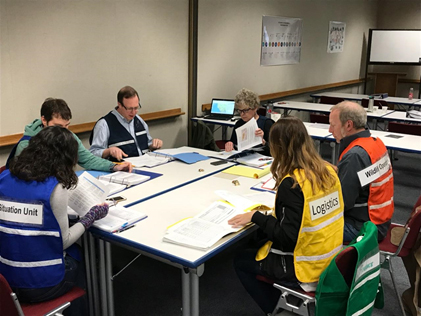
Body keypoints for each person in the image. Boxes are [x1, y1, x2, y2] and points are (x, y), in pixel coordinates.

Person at [228, 117, 344, 315]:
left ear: (278, 147)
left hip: (305, 267)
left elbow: (287, 239)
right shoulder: (328, 171)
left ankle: (276, 310)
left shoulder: (292, 184)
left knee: (241, 259)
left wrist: (256, 216)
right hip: (331, 258)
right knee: (258, 242)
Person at [0, 126, 109, 311]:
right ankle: (82, 310)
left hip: (5, 280)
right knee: (78, 255)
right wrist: (90, 217)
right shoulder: (54, 188)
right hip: (40, 285)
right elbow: (63, 241)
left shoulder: (3, 177)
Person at [6, 98, 132, 172]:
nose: (64, 132)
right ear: (44, 120)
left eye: (67, 126)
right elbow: (23, 179)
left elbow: (88, 159)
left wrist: (115, 167)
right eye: (58, 127)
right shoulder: (26, 144)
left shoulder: (69, 136)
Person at [329, 101, 394, 242]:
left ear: (348, 125)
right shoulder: (375, 143)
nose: (329, 130)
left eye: (333, 125)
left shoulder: (355, 156)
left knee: (306, 229)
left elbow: (341, 203)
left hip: (363, 227)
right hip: (381, 219)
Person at [89, 86, 163, 161]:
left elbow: (148, 144)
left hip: (145, 164)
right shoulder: (104, 124)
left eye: (136, 108)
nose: (133, 112)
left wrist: (153, 145)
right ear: (120, 105)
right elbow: (93, 153)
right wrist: (109, 151)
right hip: (121, 168)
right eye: (130, 109)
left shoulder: (139, 120)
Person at [224, 88, 274, 156]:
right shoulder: (239, 124)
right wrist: (230, 144)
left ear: (255, 108)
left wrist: (264, 142)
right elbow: (234, 144)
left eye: (246, 110)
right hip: (243, 158)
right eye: (240, 111)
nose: (242, 114)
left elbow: (276, 150)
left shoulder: (267, 123)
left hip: (261, 160)